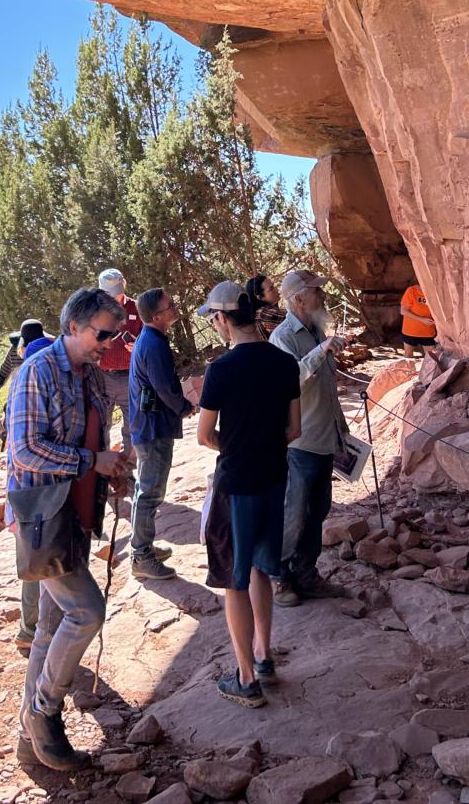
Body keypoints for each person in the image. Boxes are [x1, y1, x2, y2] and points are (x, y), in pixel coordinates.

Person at [7, 288, 135, 771]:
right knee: (86, 612)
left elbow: (95, 440)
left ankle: (29, 736)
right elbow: (23, 450)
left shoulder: (94, 377)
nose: (110, 342)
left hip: (77, 516)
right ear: (74, 327)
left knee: (51, 624)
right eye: (104, 334)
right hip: (44, 518)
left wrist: (113, 467)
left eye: (116, 333)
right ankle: (43, 711)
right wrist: (90, 461)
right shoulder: (36, 372)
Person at [196, 281, 301, 708]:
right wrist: (264, 445)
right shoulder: (284, 362)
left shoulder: (220, 370)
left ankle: (244, 678)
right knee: (261, 568)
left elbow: (205, 435)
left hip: (236, 482)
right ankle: (264, 655)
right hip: (274, 477)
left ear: (221, 318)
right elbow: (294, 430)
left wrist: (236, 446)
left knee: (233, 581)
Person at [268, 271, 350, 608]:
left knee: (318, 510)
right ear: (298, 299)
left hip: (323, 436)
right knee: (294, 512)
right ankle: (279, 577)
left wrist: (342, 431)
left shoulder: (316, 329)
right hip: (299, 442)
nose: (323, 296)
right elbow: (291, 380)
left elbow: (328, 388)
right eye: (317, 291)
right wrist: (322, 350)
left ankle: (306, 573)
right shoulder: (282, 337)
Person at [127, 287, 194, 581]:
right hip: (152, 428)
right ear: (157, 316)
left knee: (148, 490)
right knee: (150, 492)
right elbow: (165, 386)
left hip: (148, 425)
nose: (175, 307)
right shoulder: (154, 344)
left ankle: (144, 549)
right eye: (170, 305)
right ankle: (141, 556)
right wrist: (184, 407)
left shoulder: (151, 339)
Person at [4, 319, 53, 653]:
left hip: (25, 492)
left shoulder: (23, 380)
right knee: (47, 562)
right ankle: (37, 629)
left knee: (32, 562)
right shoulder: (50, 376)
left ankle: (30, 628)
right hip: (49, 491)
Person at [96, 268, 143, 450]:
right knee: (101, 426)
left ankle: (128, 474)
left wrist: (138, 345)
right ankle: (103, 473)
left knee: (133, 426)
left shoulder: (137, 308)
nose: (115, 299)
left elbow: (149, 338)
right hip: (102, 377)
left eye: (118, 294)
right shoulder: (93, 312)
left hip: (130, 376)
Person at [399, 283, 437, 358]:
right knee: (408, 357)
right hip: (410, 331)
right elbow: (403, 311)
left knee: (431, 359)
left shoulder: (434, 292)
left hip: (428, 332)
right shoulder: (411, 291)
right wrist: (422, 320)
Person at [245, 274, 285, 339]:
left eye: (274, 286)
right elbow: (296, 321)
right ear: (260, 297)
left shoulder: (257, 314)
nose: (276, 289)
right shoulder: (265, 314)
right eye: (271, 289)